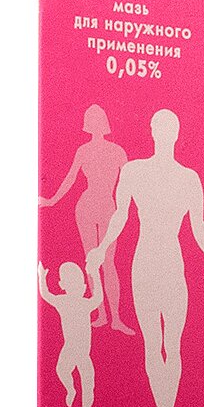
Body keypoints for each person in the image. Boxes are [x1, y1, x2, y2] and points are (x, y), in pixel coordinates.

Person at [87, 109, 204, 407]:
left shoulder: (189, 178)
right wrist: (102, 248)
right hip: (145, 265)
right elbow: (120, 216)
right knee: (154, 343)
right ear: (153, 132)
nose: (164, 133)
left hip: (171, 266)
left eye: (168, 128)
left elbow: (199, 226)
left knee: (172, 344)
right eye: (160, 128)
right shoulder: (134, 171)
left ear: (175, 134)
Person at [39, 105, 134, 334]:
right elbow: (70, 179)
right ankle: (102, 314)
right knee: (93, 263)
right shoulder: (86, 151)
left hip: (108, 208)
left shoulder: (117, 152)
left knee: (107, 262)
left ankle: (115, 317)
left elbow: (129, 183)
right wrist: (52, 200)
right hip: (88, 208)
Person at [38, 260, 102, 407]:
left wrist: (96, 275)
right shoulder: (62, 302)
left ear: (84, 286)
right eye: (70, 282)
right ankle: (71, 389)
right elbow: (46, 295)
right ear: (62, 285)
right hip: (69, 349)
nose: (76, 286)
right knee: (61, 370)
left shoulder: (85, 304)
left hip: (83, 353)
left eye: (79, 282)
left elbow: (98, 298)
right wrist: (41, 277)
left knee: (88, 383)